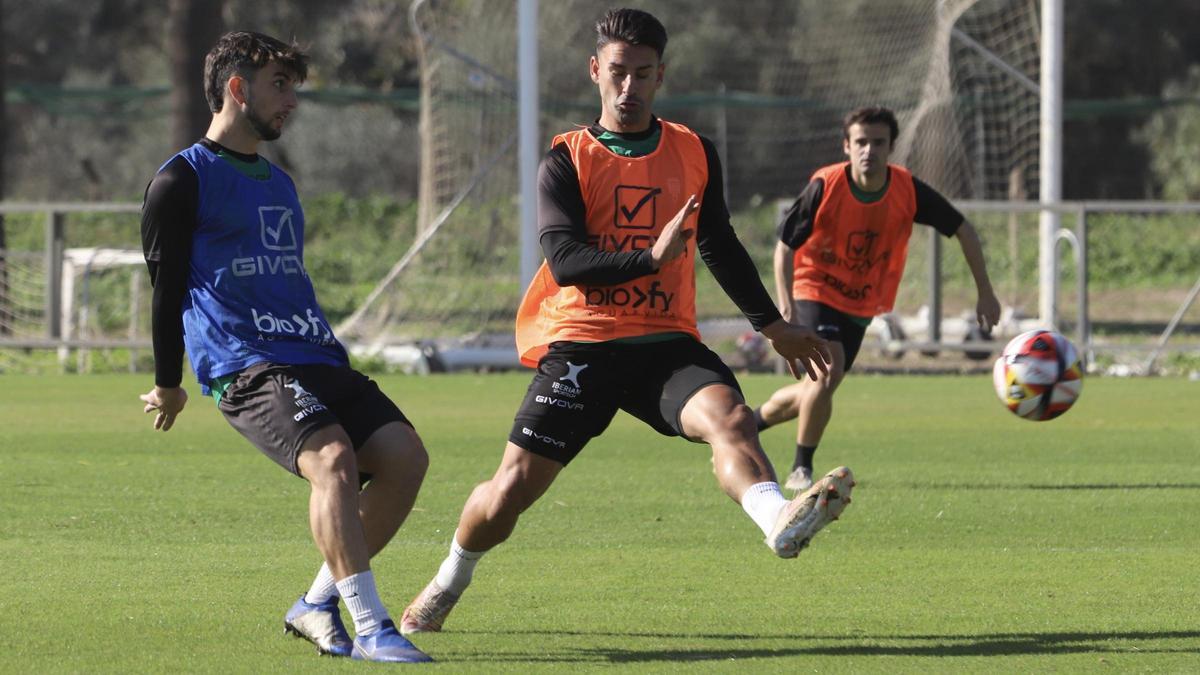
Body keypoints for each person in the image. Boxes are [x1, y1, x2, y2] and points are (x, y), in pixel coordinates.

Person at [399, 8, 855, 636]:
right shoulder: (566, 158)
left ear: (660, 75)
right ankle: (450, 577)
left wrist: (772, 325)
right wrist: (650, 256)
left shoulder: (693, 150)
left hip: (666, 343)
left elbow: (717, 241)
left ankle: (777, 519)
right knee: (509, 494)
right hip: (584, 344)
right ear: (595, 71)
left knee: (732, 420)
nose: (629, 87)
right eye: (618, 73)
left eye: (643, 74)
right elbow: (564, 261)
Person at [138, 31, 432, 664]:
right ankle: (373, 624)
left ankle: (315, 604)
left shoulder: (280, 182)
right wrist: (169, 382)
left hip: (313, 353)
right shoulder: (179, 181)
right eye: (280, 85)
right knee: (331, 460)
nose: (291, 101)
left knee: (405, 457)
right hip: (244, 362)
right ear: (236, 89)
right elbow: (165, 293)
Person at [753, 106, 1002, 491]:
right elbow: (785, 247)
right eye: (861, 142)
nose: (869, 150)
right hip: (813, 288)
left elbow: (963, 229)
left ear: (891, 148)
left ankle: (752, 423)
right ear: (847, 146)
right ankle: (801, 468)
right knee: (826, 372)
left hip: (861, 304)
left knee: (816, 388)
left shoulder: (906, 189)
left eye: (878, 142)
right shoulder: (826, 185)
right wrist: (785, 306)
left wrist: (985, 292)